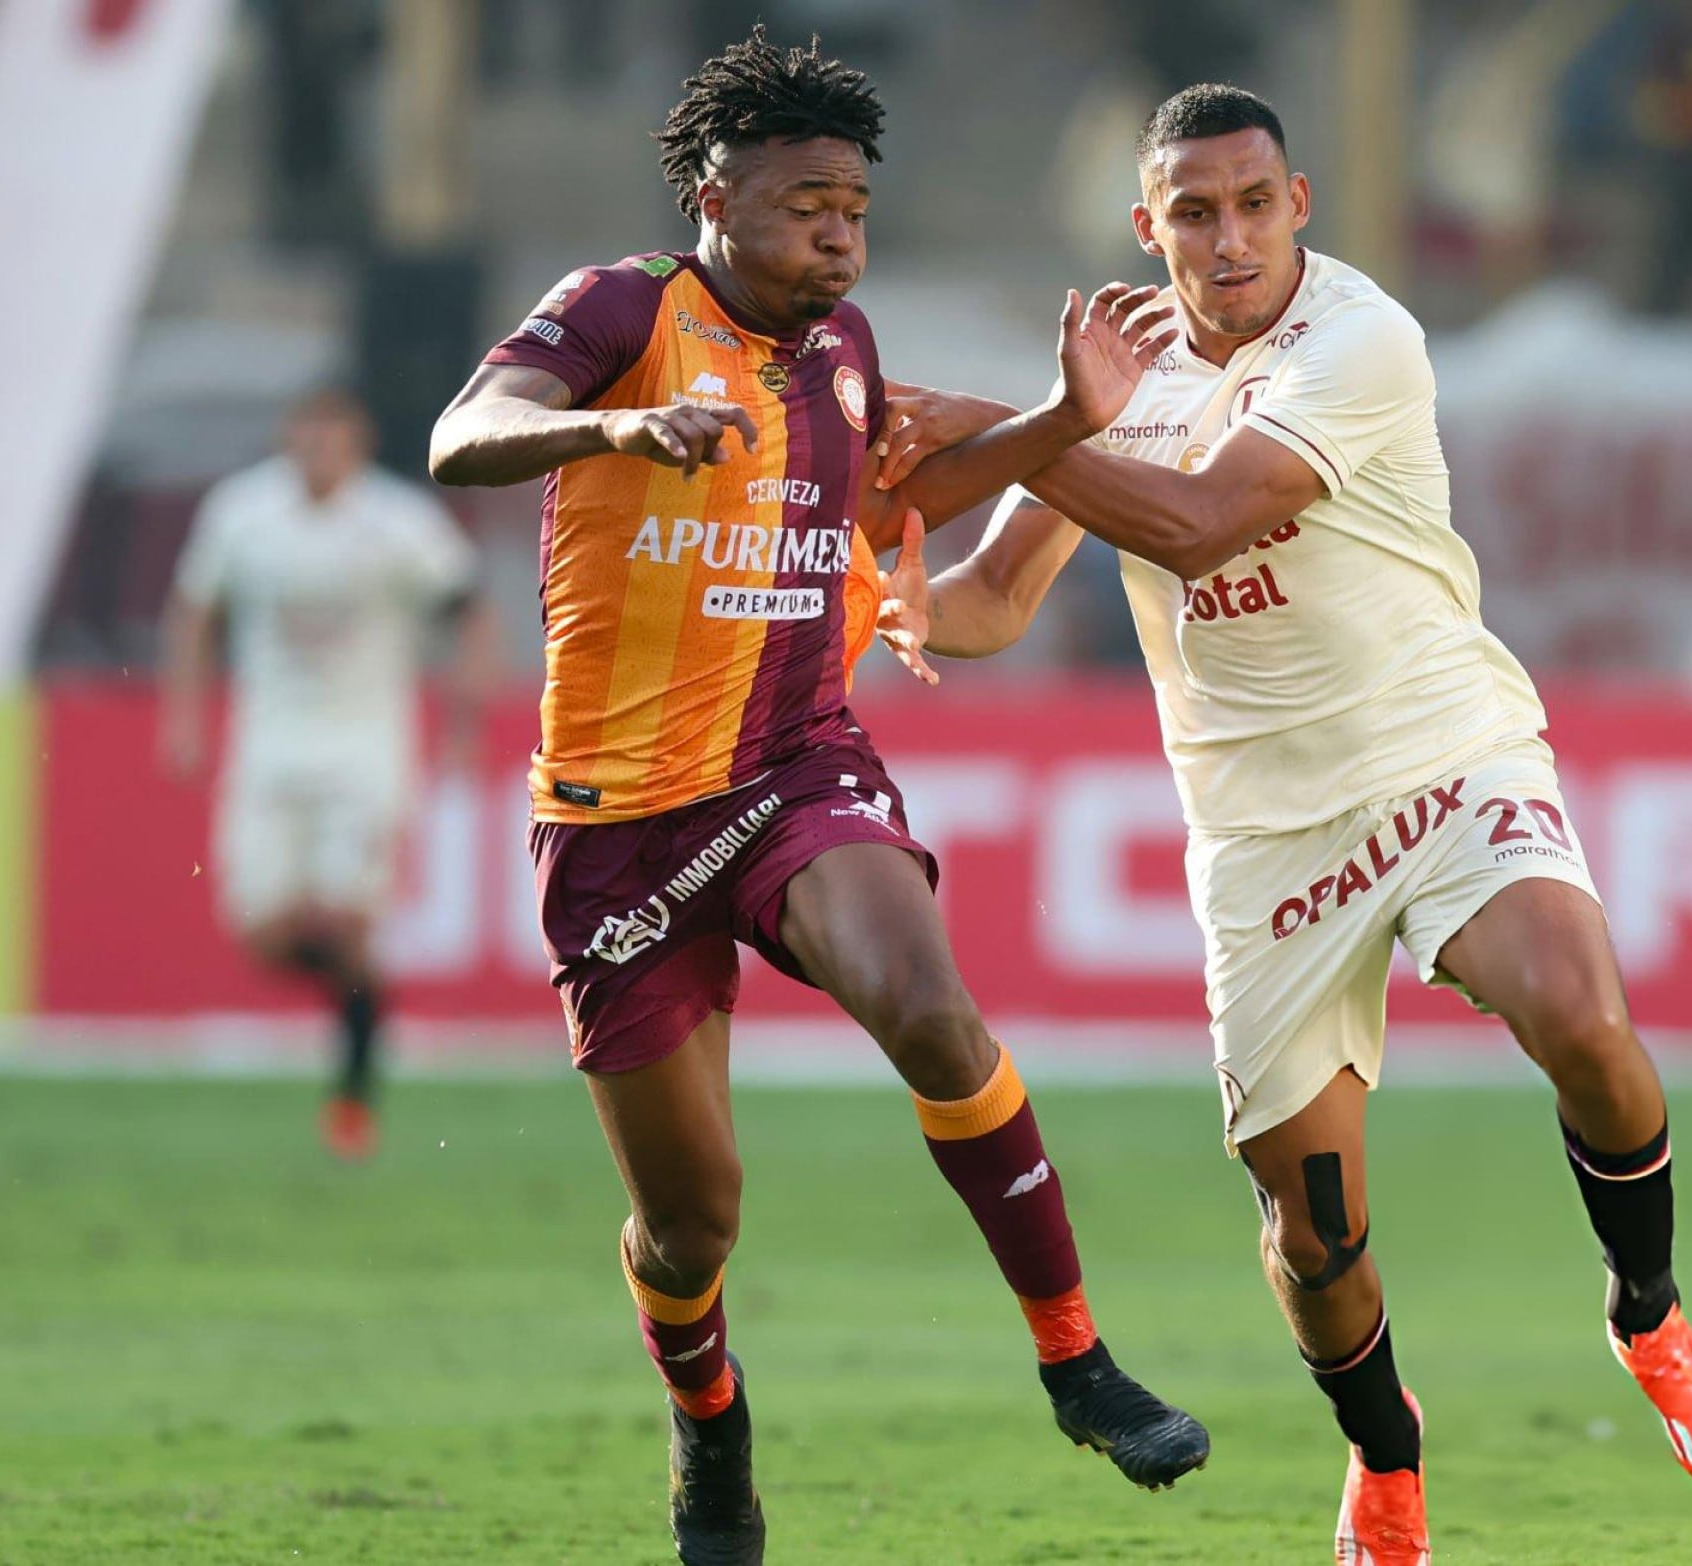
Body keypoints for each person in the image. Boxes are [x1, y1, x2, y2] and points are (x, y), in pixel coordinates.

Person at [870, 84, 1692, 1566]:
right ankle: (1386, 1461)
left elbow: (1205, 520)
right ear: (1146, 227)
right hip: (1264, 840)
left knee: (1583, 1018)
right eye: (1194, 214)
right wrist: (876, 606)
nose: (1228, 239)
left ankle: (1649, 1315)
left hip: (1441, 753)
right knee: (1315, 1226)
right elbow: (999, 597)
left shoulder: (1360, 338)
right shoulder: (1123, 373)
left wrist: (1000, 426)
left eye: (1254, 204)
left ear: (1298, 207)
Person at [424, 31, 1204, 1565]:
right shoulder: (621, 311)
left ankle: (1075, 1357)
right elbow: (461, 438)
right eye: (803, 205)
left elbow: (901, 506)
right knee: (692, 1219)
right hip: (616, 828)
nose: (837, 236)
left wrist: (1064, 422)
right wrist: (615, 426)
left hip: (795, 771)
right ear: (714, 195)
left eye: (853, 208)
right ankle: (709, 1424)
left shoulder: (841, 356)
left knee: (930, 1005)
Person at [159, 387, 493, 1160]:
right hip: (268, 745)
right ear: (288, 441)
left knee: (346, 919)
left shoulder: (397, 520)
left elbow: (470, 610)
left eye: (332, 440)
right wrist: (183, 718)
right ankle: (367, 998)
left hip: (364, 747)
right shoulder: (241, 513)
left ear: (357, 444)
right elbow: (193, 611)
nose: (317, 454)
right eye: (305, 439)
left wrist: (463, 723)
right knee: (265, 936)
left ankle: (351, 1097)